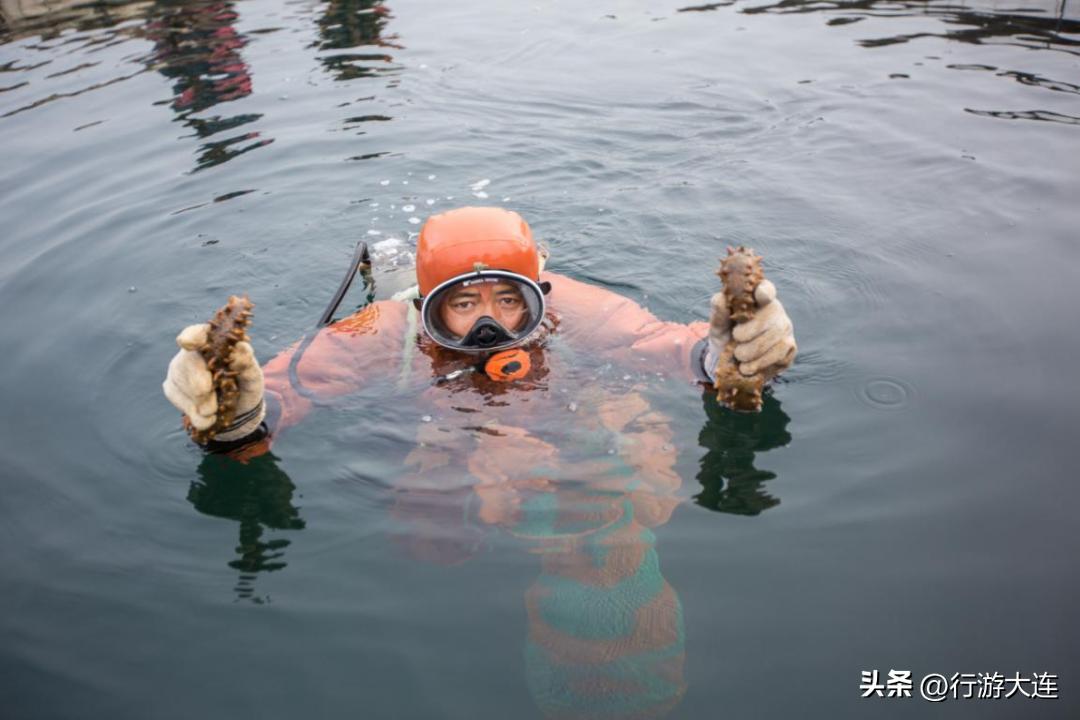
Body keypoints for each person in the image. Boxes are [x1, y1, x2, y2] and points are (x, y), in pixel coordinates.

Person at [163, 206, 797, 460]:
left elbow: (655, 344)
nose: (490, 323)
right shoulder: (388, 328)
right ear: (428, 303)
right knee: (430, 527)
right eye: (463, 303)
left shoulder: (567, 306)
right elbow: (297, 382)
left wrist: (729, 354)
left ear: (538, 293)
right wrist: (241, 415)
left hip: (555, 433)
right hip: (436, 436)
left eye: (508, 300)